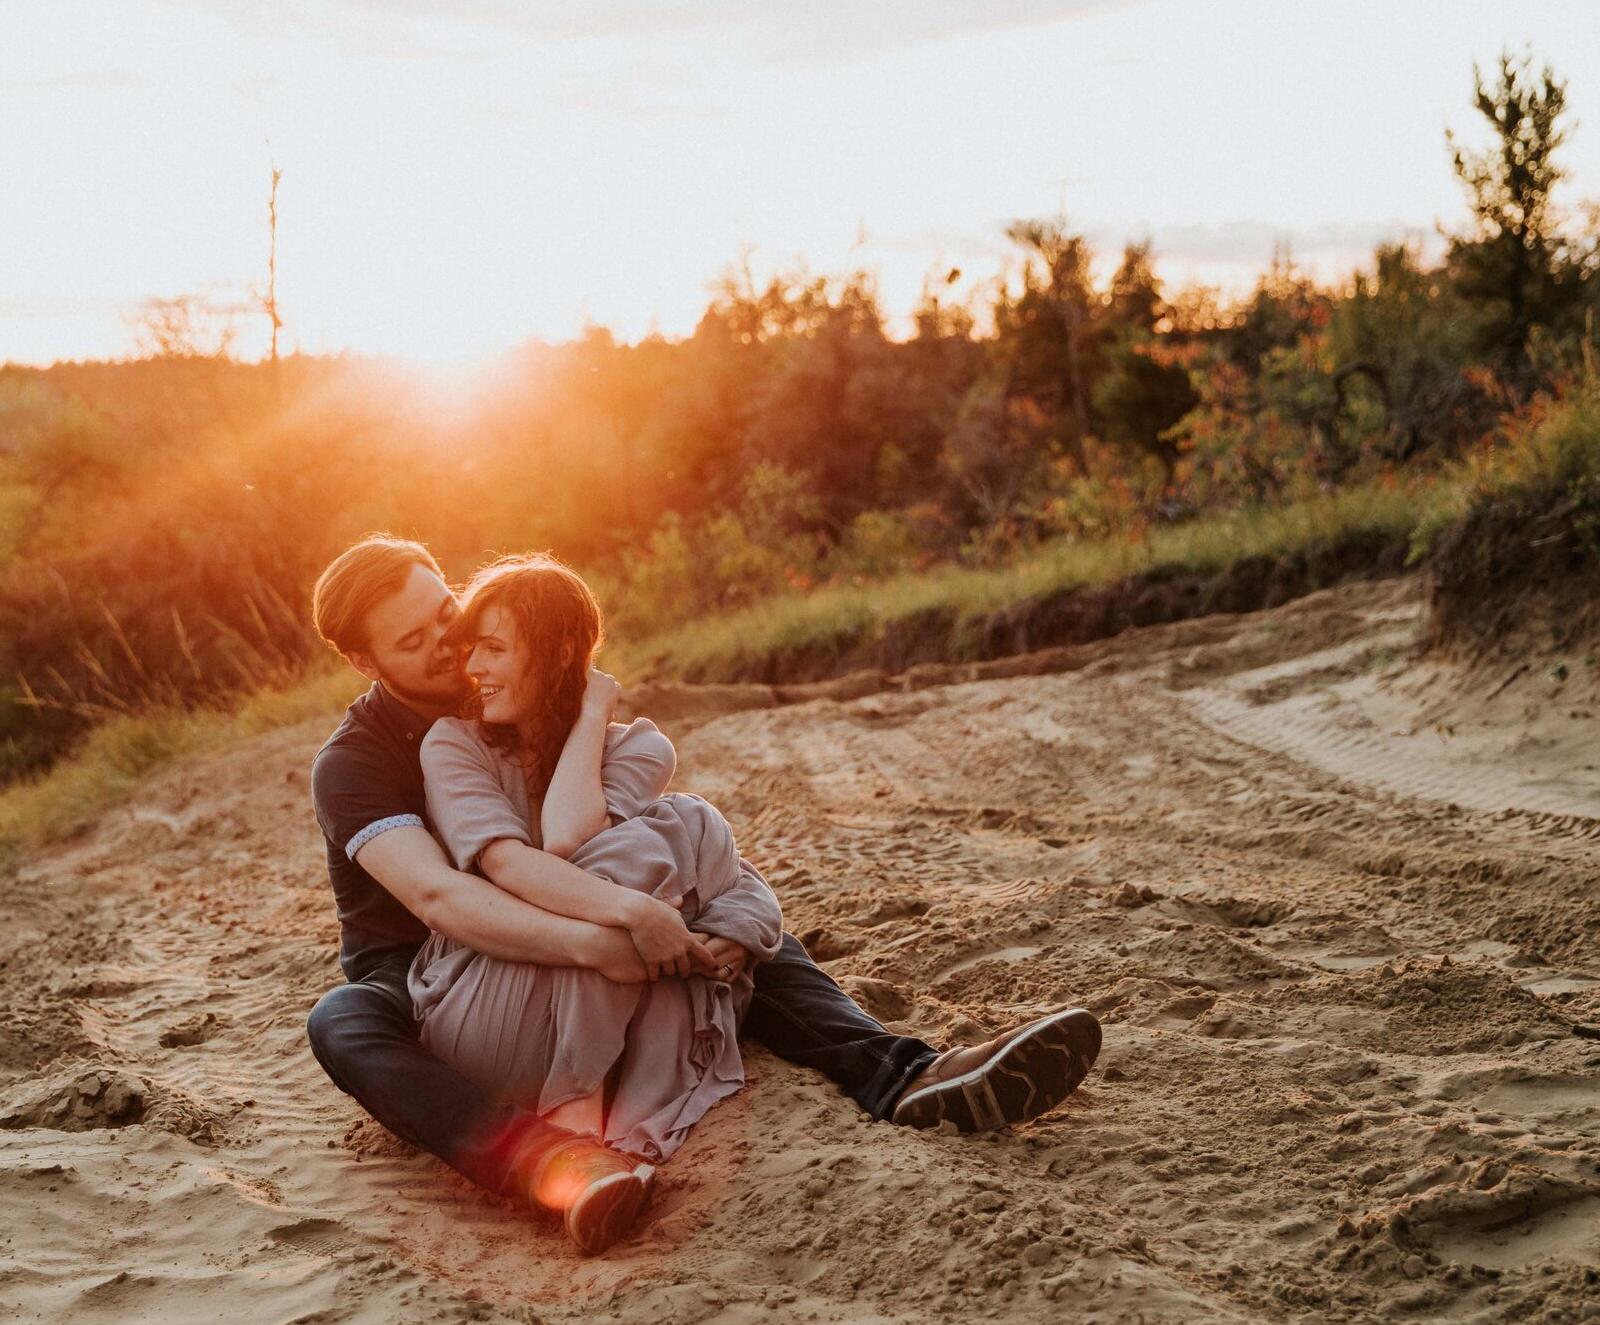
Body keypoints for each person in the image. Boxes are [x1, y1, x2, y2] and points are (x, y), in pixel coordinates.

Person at [304, 535, 1100, 1255]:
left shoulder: (507, 687)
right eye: (413, 642)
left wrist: (712, 918)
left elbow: (642, 831)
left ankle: (902, 1073)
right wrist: (603, 942)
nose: (449, 645)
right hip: (425, 971)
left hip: (570, 902)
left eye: (447, 612)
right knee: (341, 1022)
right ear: (368, 665)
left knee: (705, 898)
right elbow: (444, 896)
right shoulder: (357, 763)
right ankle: (548, 1161)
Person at [412, 556, 779, 1187]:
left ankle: (593, 1118)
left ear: (557, 652)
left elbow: (572, 837)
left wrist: (588, 719)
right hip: (488, 1009)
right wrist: (639, 914)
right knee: (672, 832)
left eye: (494, 649)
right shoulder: (452, 743)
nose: (473, 669)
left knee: (680, 821)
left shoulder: (639, 745)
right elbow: (532, 856)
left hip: (600, 1000)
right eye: (473, 649)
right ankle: (576, 1107)